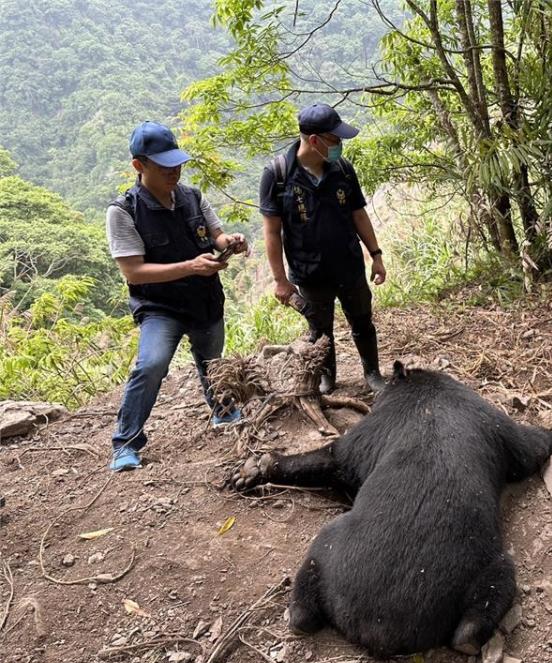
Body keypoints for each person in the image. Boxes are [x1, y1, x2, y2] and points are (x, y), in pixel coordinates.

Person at [107, 121, 248, 472]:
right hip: (160, 306)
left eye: (177, 163)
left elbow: (215, 235)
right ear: (139, 166)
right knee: (152, 364)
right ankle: (126, 443)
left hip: (204, 299)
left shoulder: (192, 196)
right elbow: (133, 271)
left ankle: (223, 411)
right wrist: (189, 267)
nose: (174, 171)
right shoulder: (123, 211)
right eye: (163, 165)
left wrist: (230, 242)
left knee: (211, 362)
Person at [259, 103, 386, 393]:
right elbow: (272, 232)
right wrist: (280, 280)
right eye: (335, 139)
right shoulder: (278, 175)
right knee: (320, 330)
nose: (340, 145)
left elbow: (358, 214)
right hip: (309, 271)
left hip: (349, 265)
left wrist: (376, 255)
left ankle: (372, 373)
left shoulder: (342, 169)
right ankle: (328, 377)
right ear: (314, 140)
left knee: (362, 320)